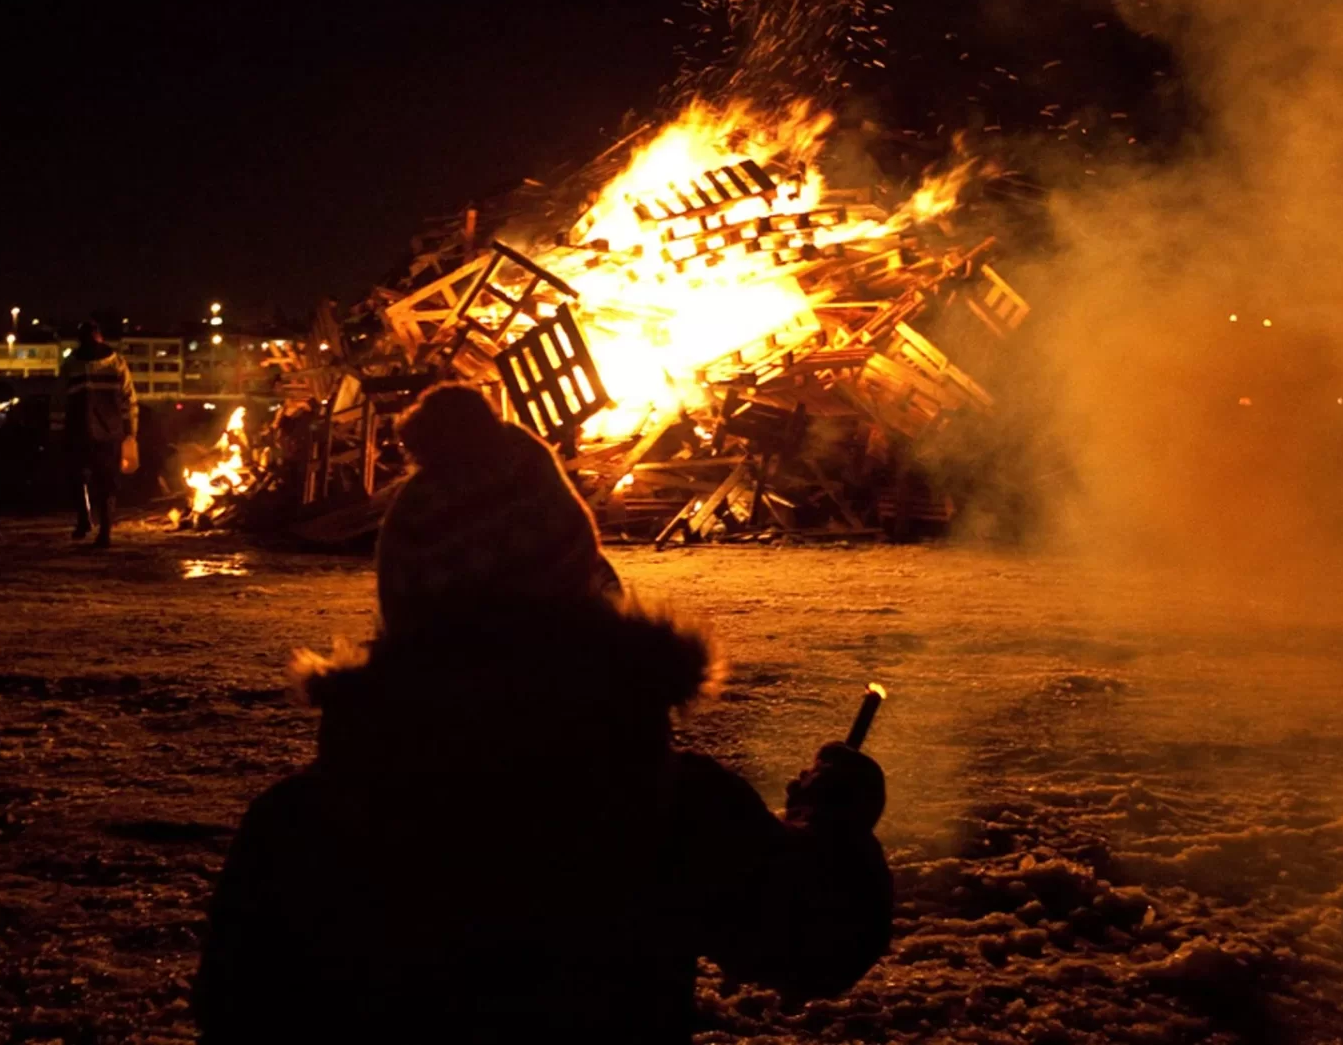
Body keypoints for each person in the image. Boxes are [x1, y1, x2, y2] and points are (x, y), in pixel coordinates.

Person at [194, 384, 892, 1044]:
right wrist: (834, 817)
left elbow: (236, 1013)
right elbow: (818, 940)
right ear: (583, 596)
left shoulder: (298, 826)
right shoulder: (667, 807)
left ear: (401, 607)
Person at [59, 320, 138, 547]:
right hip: (110, 434)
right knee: (108, 483)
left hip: (79, 432)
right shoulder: (117, 363)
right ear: (100, 337)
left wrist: (56, 430)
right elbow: (129, 400)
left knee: (78, 477)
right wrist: (131, 430)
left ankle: (84, 520)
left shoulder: (71, 364)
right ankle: (105, 533)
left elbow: (58, 401)